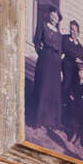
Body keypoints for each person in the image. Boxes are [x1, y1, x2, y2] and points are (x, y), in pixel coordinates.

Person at [27, 7, 67, 136]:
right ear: (49, 16)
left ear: (58, 20)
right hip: (45, 60)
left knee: (53, 91)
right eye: (52, 16)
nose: (54, 19)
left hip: (55, 64)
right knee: (43, 88)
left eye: (56, 17)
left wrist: (59, 67)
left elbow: (60, 51)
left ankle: (50, 121)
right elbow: (36, 41)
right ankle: (37, 120)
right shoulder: (43, 26)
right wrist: (42, 52)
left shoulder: (59, 35)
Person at [61, 19, 83, 156]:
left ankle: (71, 129)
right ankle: (60, 122)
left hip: (76, 80)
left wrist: (80, 67)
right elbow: (65, 51)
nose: (72, 31)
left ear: (78, 33)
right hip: (65, 74)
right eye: (71, 29)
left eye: (74, 30)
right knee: (63, 97)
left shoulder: (82, 50)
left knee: (73, 104)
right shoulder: (65, 39)